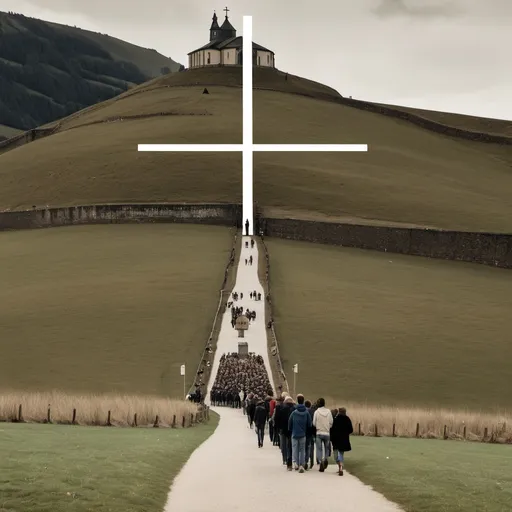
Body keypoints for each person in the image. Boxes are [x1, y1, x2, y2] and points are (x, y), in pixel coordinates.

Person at [288, 394, 312, 473]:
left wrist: (290, 429)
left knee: (295, 448)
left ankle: (296, 463)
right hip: (303, 434)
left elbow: (290, 422)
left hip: (295, 433)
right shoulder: (306, 412)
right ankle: (302, 464)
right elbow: (309, 424)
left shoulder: (294, 412)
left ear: (297, 401)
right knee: (302, 450)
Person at [330, 407, 353, 476]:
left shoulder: (335, 420)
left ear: (339, 412)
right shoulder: (347, 419)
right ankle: (341, 465)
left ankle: (339, 465)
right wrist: (346, 433)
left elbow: (332, 430)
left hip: (336, 439)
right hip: (344, 439)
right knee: (341, 453)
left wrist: (331, 438)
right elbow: (351, 430)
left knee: (335, 455)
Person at [313, 398, 333, 472]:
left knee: (319, 449)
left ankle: (321, 461)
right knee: (327, 448)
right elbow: (331, 422)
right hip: (326, 432)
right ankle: (326, 459)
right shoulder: (329, 412)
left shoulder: (316, 412)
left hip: (319, 432)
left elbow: (314, 423)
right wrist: (328, 427)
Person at [275, 395, 294, 469]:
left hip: (283, 429)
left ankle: (285, 459)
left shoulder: (281, 409)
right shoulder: (293, 409)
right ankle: (290, 458)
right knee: (289, 445)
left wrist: (278, 428)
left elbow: (277, 419)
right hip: (291, 430)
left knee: (284, 445)